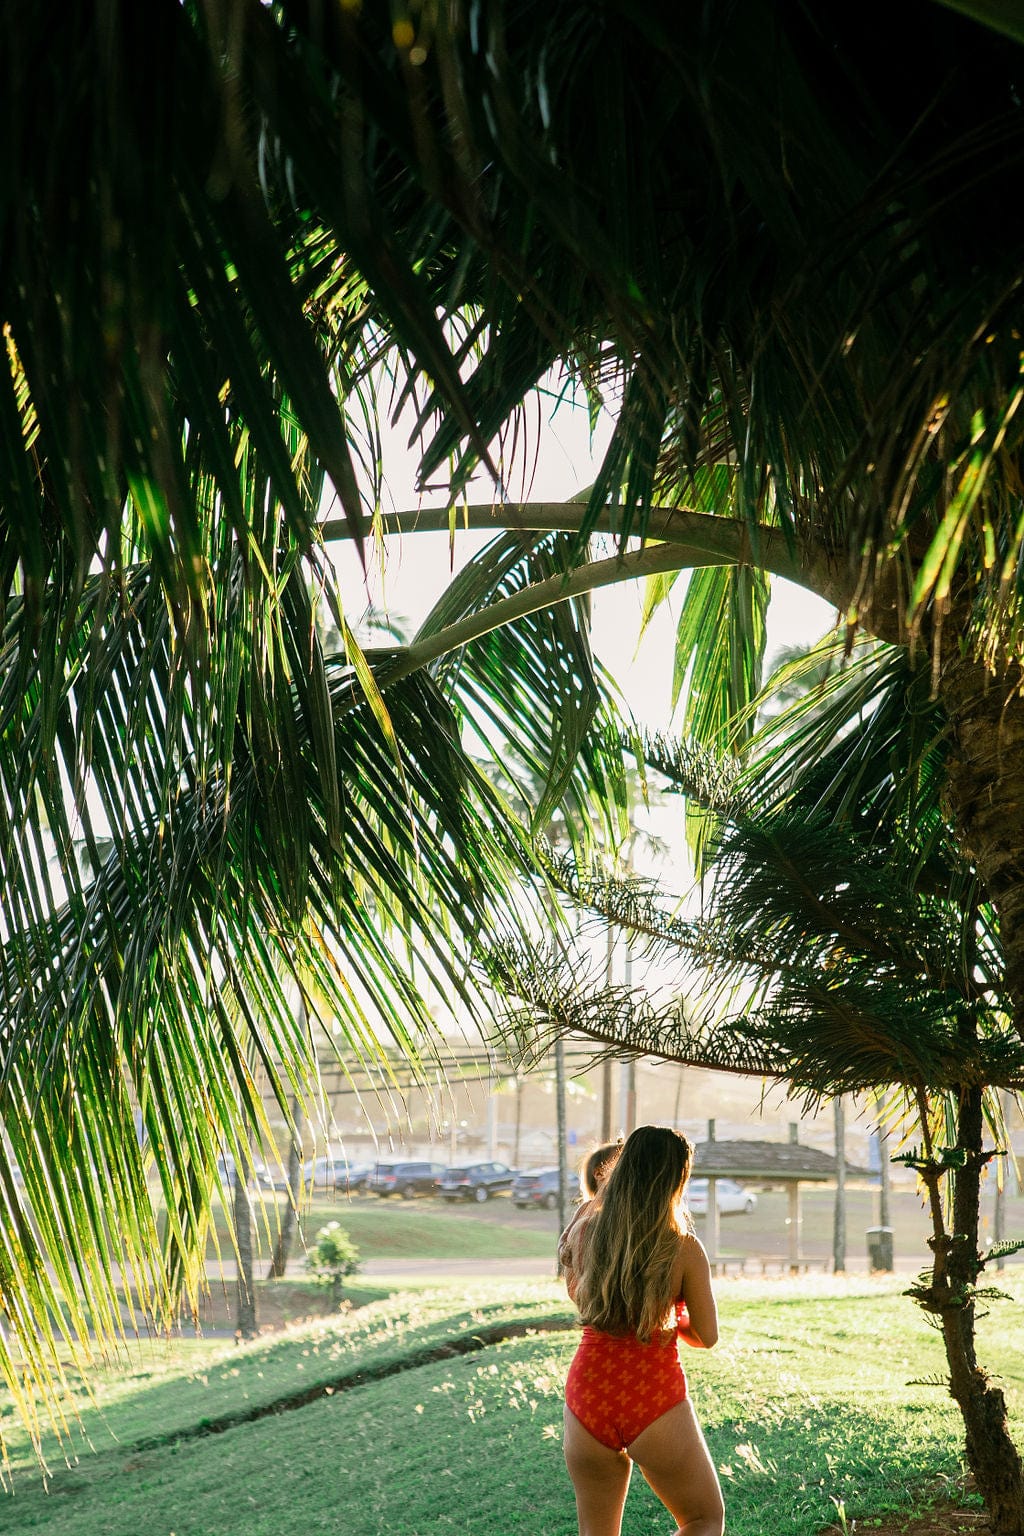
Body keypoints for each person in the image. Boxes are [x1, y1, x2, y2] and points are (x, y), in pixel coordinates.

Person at [559, 1125, 724, 1536]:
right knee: (703, 1520)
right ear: (677, 1178)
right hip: (650, 1391)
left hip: (589, 1390)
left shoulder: (584, 1230)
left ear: (623, 1166)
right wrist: (670, 1313)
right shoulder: (683, 1247)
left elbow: (583, 1298)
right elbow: (706, 1336)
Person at [556, 1139, 623, 1274]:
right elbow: (566, 1234)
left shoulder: (623, 1207)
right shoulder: (586, 1208)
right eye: (621, 1164)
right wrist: (563, 1248)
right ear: (599, 1173)